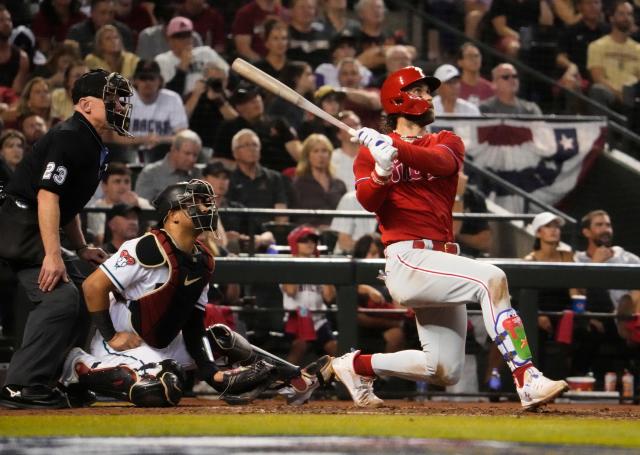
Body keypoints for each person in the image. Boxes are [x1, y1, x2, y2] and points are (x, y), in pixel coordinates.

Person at [330, 65, 569, 410]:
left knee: (443, 369)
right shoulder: (372, 151)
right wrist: (382, 170)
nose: (429, 98)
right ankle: (527, 377)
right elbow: (369, 200)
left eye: (429, 92)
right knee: (492, 278)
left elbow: (442, 164)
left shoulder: (445, 140)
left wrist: (395, 149)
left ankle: (355, 366)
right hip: (408, 258)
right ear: (399, 99)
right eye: (421, 91)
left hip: (442, 261)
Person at [60, 179, 332, 407]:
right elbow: (93, 286)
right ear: (174, 214)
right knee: (162, 389)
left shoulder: (203, 259)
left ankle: (295, 380)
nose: (208, 207)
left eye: (208, 202)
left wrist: (212, 374)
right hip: (121, 342)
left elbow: (193, 325)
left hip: (162, 341)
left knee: (222, 337)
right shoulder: (146, 246)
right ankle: (79, 367)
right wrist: (112, 335)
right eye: (198, 203)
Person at [0, 69, 133, 409]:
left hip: (35, 225)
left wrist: (81, 247)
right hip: (18, 226)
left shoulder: (89, 139)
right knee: (60, 299)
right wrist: (53, 255)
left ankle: (66, 375)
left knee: (90, 287)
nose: (120, 104)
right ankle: (22, 385)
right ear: (86, 105)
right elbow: (47, 197)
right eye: (112, 98)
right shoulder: (69, 136)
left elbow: (67, 202)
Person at [574, 210, 640, 346]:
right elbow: (578, 293)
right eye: (599, 225)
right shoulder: (578, 259)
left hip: (629, 315)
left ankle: (625, 321)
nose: (606, 229)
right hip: (595, 315)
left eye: (608, 225)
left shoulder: (627, 258)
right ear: (586, 232)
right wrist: (595, 264)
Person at [282, 225, 338, 365]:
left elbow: (329, 298)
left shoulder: (321, 266)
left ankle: (335, 384)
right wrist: (300, 263)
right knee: (299, 347)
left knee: (336, 349)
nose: (310, 244)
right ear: (295, 243)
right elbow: (291, 290)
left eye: (313, 241)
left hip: (319, 320)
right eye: (304, 240)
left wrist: (324, 271)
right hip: (297, 317)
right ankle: (284, 383)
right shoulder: (286, 265)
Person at [586, 1, 640, 114]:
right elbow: (598, 78)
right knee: (597, 90)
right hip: (610, 94)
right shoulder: (597, 46)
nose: (626, 17)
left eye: (629, 14)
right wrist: (618, 93)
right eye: (621, 14)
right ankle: (604, 131)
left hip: (633, 96)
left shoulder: (638, 48)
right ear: (611, 18)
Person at [154, 16, 229, 98]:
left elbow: (230, 76)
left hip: (211, 100)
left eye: (188, 35)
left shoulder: (206, 52)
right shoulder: (162, 60)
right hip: (185, 104)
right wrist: (183, 66)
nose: (186, 40)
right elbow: (171, 95)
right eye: (180, 36)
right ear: (170, 40)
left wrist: (220, 74)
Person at [86, 162, 153, 245]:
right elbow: (101, 241)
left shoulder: (142, 204)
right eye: (117, 181)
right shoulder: (97, 209)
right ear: (104, 186)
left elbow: (155, 233)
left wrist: (137, 208)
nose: (123, 186)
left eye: (127, 181)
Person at [291, 133, 346, 228]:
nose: (321, 155)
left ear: (329, 154)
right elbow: (293, 217)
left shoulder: (339, 184)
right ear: (307, 156)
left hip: (335, 234)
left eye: (324, 151)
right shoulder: (299, 184)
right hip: (309, 236)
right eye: (315, 151)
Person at [134, 129, 203, 202]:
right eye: (187, 153)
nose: (191, 159)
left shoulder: (198, 174)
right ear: (174, 150)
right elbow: (142, 207)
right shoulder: (150, 173)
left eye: (195, 155)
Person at [67, 0, 134, 57]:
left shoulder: (123, 31)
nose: (107, 17)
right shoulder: (77, 32)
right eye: (103, 13)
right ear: (92, 13)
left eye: (111, 13)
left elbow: (129, 59)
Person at [0, 5, 30, 95]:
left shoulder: (22, 58)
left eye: (9, 20)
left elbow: (15, 95)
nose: (7, 23)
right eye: (1, 20)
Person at [456, 43, 494, 107]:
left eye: (476, 56)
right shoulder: (454, 88)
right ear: (460, 62)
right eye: (469, 56)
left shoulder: (490, 88)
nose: (474, 59)